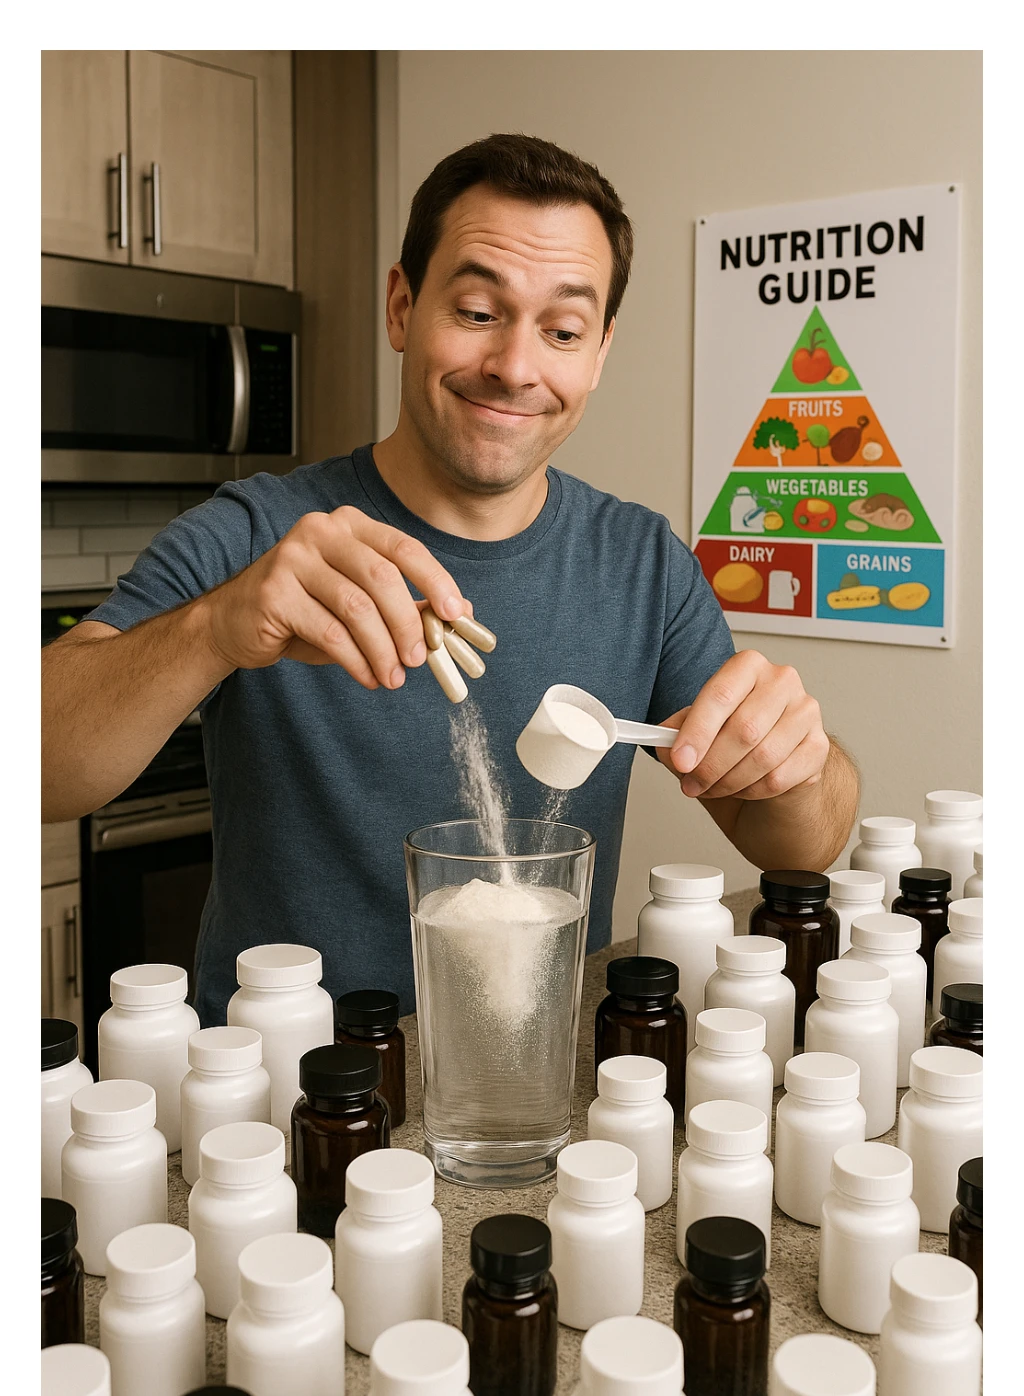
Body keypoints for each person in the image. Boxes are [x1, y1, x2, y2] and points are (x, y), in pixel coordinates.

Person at [42, 133, 858, 1025]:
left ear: (599, 354)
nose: (515, 366)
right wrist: (214, 628)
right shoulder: (258, 534)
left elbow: (800, 846)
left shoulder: (643, 563)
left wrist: (796, 764)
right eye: (476, 310)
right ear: (401, 306)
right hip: (281, 1092)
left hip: (530, 1080)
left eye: (562, 331)